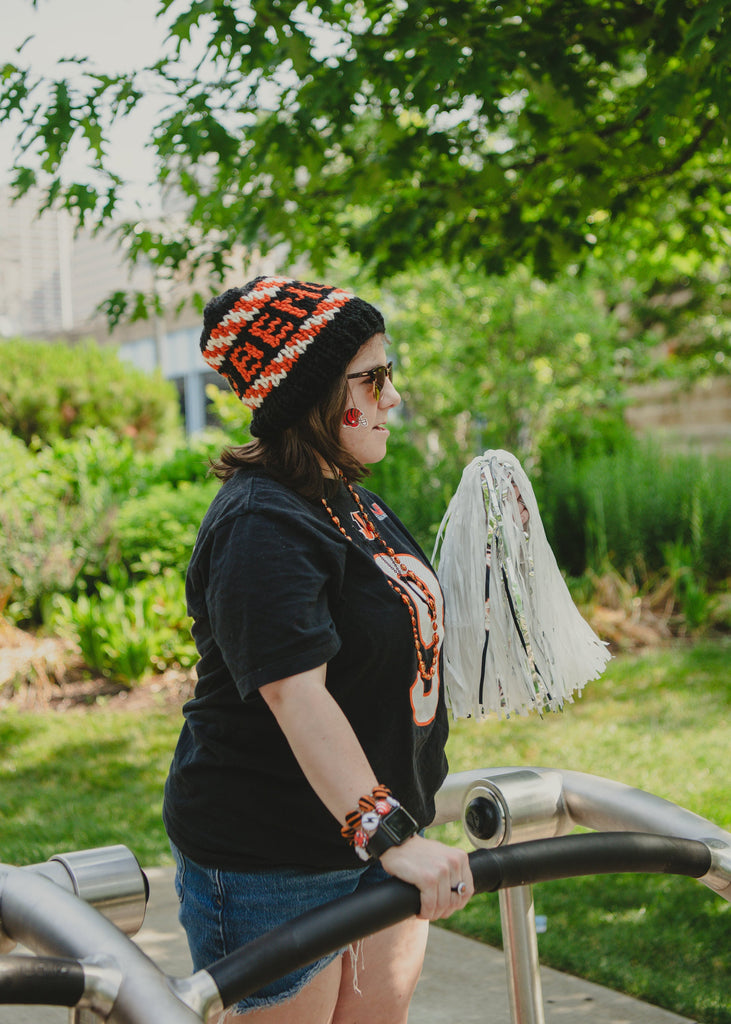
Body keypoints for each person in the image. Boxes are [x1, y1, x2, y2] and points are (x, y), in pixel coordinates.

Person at [163, 275, 473, 1023]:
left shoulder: (348, 499)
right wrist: (390, 834)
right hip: (277, 860)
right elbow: (296, 694)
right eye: (374, 377)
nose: (392, 397)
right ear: (312, 396)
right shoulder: (260, 524)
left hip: (380, 842)